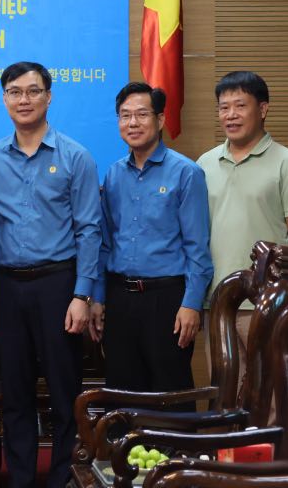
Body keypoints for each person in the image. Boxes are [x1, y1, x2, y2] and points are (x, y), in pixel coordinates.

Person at [0, 60, 101, 488]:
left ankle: (63, 477)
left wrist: (81, 295)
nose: (23, 100)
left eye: (32, 91)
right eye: (14, 92)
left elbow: (89, 230)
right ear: (4, 99)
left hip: (58, 285)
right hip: (6, 286)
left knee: (64, 393)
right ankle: (22, 478)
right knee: (15, 393)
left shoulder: (75, 156)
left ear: (48, 97)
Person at [89, 82, 213, 395]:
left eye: (142, 114)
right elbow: (105, 243)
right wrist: (98, 298)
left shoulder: (186, 173)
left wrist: (191, 304)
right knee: (123, 394)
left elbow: (198, 248)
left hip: (167, 299)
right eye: (125, 115)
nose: (133, 123)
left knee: (170, 393)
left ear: (159, 120)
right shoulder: (114, 174)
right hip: (120, 298)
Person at [196, 71, 288, 350]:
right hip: (217, 301)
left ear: (262, 109)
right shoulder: (204, 163)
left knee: (268, 379)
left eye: (240, 106)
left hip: (264, 303)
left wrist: (284, 298)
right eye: (224, 108)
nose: (231, 115)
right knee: (222, 379)